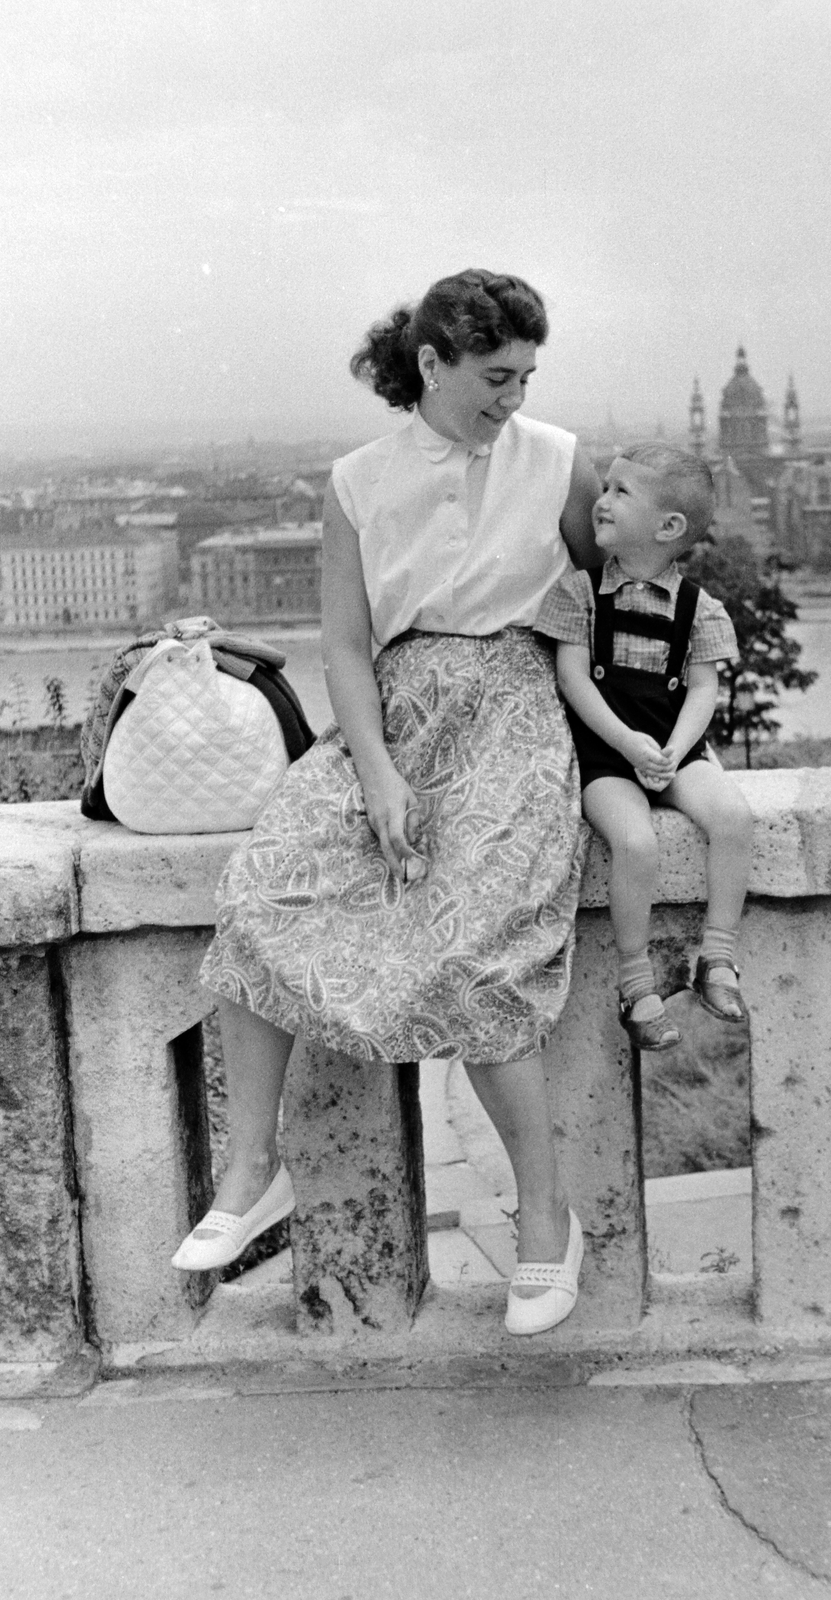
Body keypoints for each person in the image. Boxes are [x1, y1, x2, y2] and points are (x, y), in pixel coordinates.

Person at [172, 269, 602, 1337]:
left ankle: (546, 1216)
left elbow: (629, 590)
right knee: (261, 887)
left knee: (477, 944)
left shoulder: (556, 462)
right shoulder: (357, 481)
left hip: (511, 712)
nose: (514, 396)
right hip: (395, 716)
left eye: (526, 376)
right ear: (431, 364)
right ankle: (251, 1169)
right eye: (496, 376)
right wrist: (374, 773)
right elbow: (348, 647)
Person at [535, 444, 753, 1051]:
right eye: (604, 487)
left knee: (732, 818)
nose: (600, 502)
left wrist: (673, 749)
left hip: (673, 749)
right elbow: (573, 679)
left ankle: (719, 957)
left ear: (669, 528)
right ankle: (636, 983)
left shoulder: (699, 608)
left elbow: (703, 689)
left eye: (620, 493)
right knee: (635, 841)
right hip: (607, 754)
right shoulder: (580, 595)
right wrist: (630, 744)